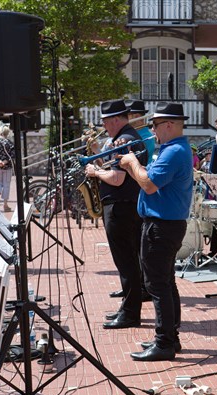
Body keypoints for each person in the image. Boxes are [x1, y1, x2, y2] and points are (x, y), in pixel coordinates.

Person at [119, 102, 193, 361]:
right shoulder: (172, 149)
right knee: (165, 283)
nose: (152, 130)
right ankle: (170, 338)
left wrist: (131, 163)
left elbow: (149, 185)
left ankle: (164, 342)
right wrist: (135, 166)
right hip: (165, 224)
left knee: (156, 285)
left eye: (155, 125)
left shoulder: (173, 151)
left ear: (169, 125)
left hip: (162, 226)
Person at [84, 99, 147, 330]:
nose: (104, 126)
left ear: (116, 120)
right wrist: (97, 155)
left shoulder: (124, 140)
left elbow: (117, 178)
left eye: (106, 122)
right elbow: (114, 169)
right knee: (128, 260)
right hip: (125, 205)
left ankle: (130, 313)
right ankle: (128, 308)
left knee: (126, 261)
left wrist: (95, 171)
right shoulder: (126, 137)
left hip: (121, 206)